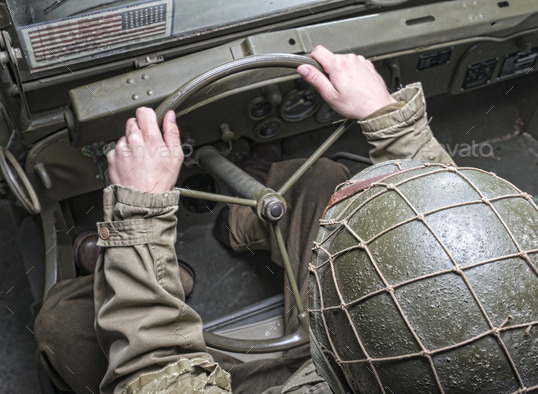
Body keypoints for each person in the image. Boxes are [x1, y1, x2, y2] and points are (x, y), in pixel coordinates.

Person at [34, 45, 454, 393]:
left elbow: (153, 375)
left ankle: (167, 274)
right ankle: (232, 224)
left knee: (63, 326)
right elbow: (456, 238)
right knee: (317, 179)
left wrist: (138, 214)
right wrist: (386, 116)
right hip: (348, 357)